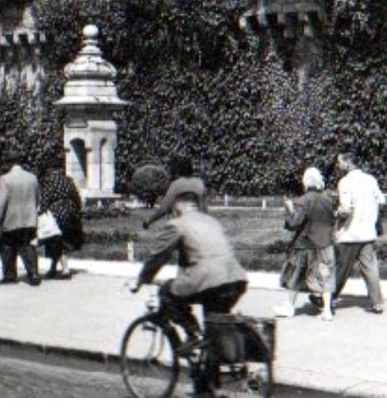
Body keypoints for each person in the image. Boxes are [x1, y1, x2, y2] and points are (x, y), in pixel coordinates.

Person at [130, 191, 247, 397]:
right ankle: (207, 387)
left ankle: (192, 335)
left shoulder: (178, 224)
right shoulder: (211, 221)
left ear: (177, 209)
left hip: (209, 279)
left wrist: (141, 279)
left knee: (166, 292)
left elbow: (158, 255)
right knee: (212, 329)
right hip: (235, 279)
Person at [275, 166, 335, 320]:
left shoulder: (302, 201)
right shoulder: (328, 199)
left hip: (305, 244)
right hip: (325, 243)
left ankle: (289, 306)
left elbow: (294, 224)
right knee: (326, 276)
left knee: (296, 275)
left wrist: (289, 209)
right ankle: (327, 310)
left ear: (306, 183)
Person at [331, 152, 385, 314]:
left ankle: (327, 297)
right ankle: (377, 302)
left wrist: (335, 214)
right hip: (367, 231)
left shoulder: (345, 182)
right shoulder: (371, 180)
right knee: (370, 267)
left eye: (340, 162)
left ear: (348, 164)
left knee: (341, 268)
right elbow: (381, 199)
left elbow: (346, 209)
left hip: (350, 233)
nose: (338, 165)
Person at [0, 151, 41, 286]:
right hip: (29, 219)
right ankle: (33, 274)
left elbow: (2, 202)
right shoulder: (32, 178)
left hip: (11, 219)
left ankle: (9, 276)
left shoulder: (5, 179)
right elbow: (38, 199)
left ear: (9, 163)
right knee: (27, 245)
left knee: (6, 246)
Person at [39, 155, 85, 279]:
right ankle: (53, 268)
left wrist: (41, 213)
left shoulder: (49, 181)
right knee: (62, 240)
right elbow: (76, 197)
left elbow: (45, 200)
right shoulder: (68, 180)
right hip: (70, 212)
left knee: (55, 241)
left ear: (50, 169)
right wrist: (77, 211)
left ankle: (65, 269)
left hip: (56, 213)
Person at [142, 155, 206, 228]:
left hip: (180, 225)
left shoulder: (176, 184)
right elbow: (204, 209)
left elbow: (163, 209)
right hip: (197, 226)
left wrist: (148, 221)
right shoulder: (199, 183)